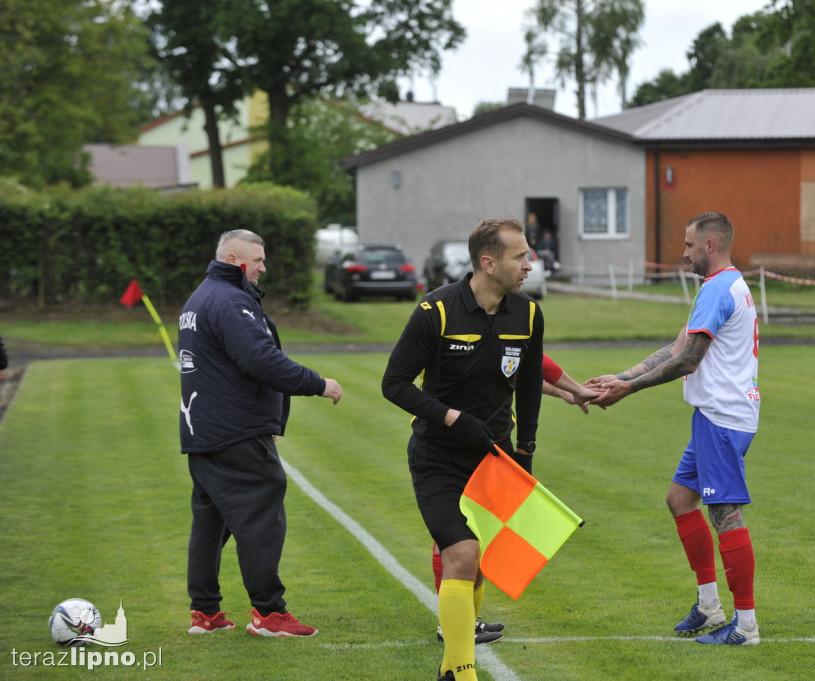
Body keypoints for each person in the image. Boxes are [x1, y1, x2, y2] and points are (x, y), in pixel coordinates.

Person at [585, 212, 762, 646]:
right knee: (680, 500)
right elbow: (677, 346)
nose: (682, 254)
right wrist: (619, 376)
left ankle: (745, 626)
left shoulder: (720, 288)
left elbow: (687, 362)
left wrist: (628, 389)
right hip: (713, 416)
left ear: (710, 245)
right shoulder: (718, 286)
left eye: (688, 245)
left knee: (726, 516)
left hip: (722, 418)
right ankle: (708, 605)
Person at [381, 217, 545, 681]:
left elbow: (530, 384)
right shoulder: (435, 311)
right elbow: (393, 384)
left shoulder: (529, 314)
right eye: (521, 256)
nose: (530, 263)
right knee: (461, 553)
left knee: (479, 563)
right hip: (437, 457)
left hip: (495, 460)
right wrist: (453, 418)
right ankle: (463, 673)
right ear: (488, 263)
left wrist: (525, 454)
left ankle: (452, 665)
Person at [178, 229, 343, 638]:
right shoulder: (230, 299)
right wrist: (318, 383)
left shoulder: (200, 296)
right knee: (261, 518)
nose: (263, 268)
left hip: (203, 429)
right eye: (257, 260)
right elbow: (261, 359)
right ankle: (269, 614)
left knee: (211, 522)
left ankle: (206, 613)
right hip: (235, 431)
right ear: (235, 259)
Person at [429, 353, 602, 646]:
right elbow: (531, 359)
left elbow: (513, 372)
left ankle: (465, 619)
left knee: (471, 532)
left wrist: (563, 392)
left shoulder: (474, 324)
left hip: (479, 441)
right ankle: (452, 625)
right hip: (458, 445)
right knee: (456, 536)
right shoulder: (476, 323)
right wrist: (574, 388)